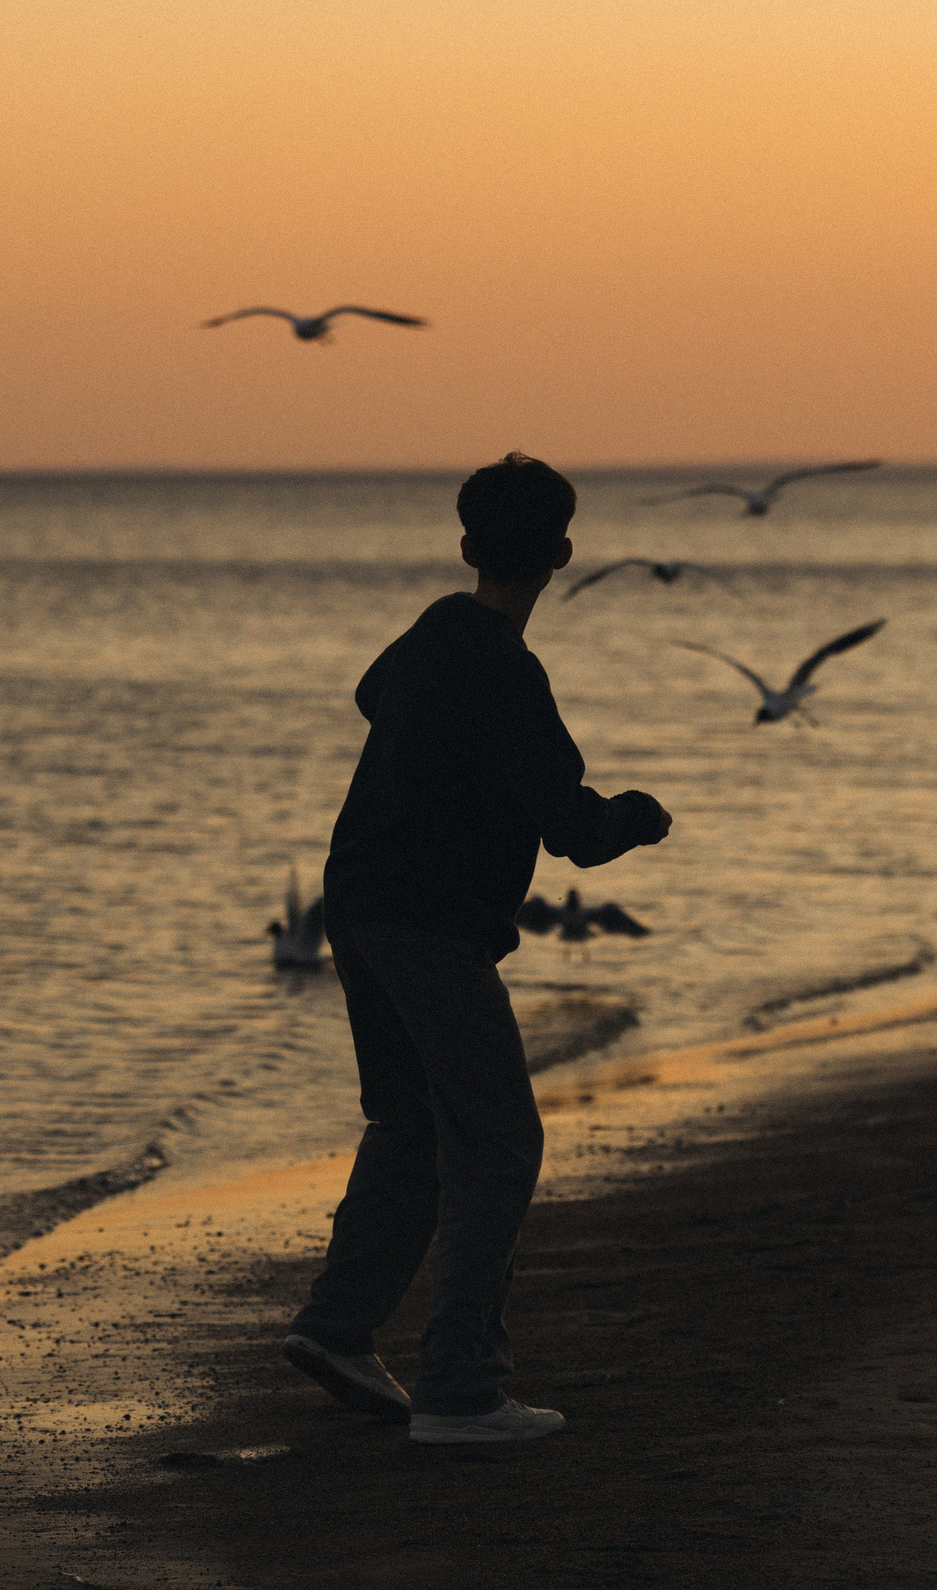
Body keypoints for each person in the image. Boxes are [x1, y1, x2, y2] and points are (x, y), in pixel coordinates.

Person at [282, 453, 672, 1446]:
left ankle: (335, 1329)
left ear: (465, 549)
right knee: (498, 1141)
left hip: (357, 901)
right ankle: (459, 1385)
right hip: (427, 922)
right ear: (562, 554)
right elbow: (572, 829)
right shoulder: (505, 668)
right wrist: (636, 814)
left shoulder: (429, 640)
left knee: (409, 1122)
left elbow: (374, 697)